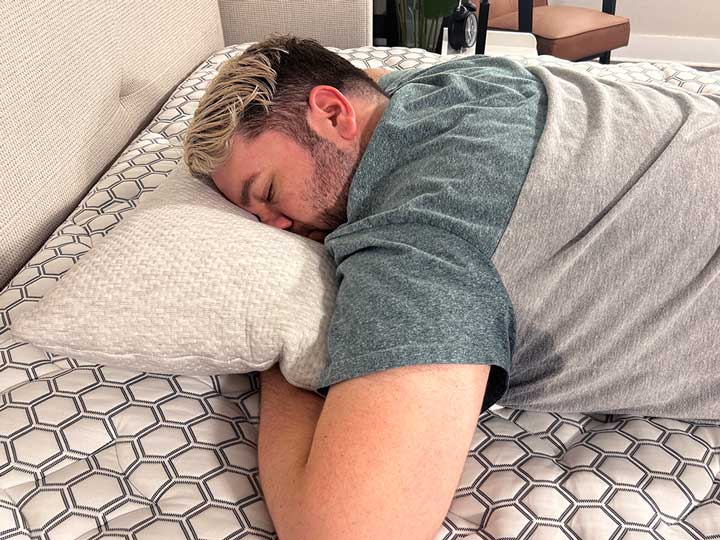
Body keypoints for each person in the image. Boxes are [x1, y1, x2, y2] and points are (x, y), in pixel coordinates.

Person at [182, 34, 720, 540]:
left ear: (332, 111)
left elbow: (351, 529)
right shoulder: (461, 79)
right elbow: (371, 72)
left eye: (269, 191)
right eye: (254, 216)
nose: (274, 227)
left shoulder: (423, 241)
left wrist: (286, 363)